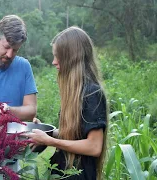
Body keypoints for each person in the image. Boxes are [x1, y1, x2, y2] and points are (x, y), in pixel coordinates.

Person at [25, 26, 108, 180]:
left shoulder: (92, 93)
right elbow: (76, 136)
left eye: (58, 56)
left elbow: (94, 146)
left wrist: (51, 141)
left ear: (72, 57)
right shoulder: (75, 92)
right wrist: (47, 132)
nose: (53, 62)